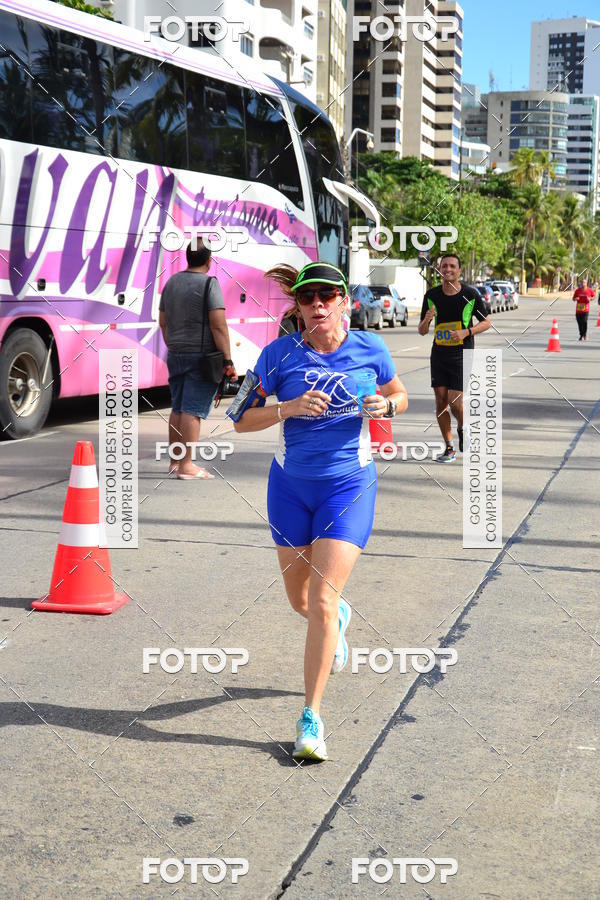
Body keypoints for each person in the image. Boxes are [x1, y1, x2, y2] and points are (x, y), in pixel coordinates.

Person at [228, 261, 407, 761]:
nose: (318, 305)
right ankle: (339, 617)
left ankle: (311, 718)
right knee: (300, 601)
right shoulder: (276, 355)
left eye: (328, 295)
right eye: (308, 298)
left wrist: (386, 408)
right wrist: (287, 407)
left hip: (348, 487)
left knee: (322, 601)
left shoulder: (371, 348)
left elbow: (399, 394)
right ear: (299, 306)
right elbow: (239, 421)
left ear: (345, 300)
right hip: (289, 488)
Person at [159, 241, 237, 479]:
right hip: (201, 356)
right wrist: (228, 360)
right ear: (208, 260)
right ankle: (187, 466)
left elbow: (163, 321)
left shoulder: (171, 282)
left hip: (175, 353)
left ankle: (175, 461)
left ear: (187, 258)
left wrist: (173, 344)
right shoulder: (209, 284)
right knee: (192, 410)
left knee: (178, 408)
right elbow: (218, 324)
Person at [418, 254, 491, 463]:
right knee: (441, 401)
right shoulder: (431, 295)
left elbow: (486, 323)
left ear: (459, 270)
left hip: (462, 353)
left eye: (452, 266)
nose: (447, 269)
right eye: (444, 266)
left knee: (455, 401)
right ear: (439, 270)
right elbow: (422, 331)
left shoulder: (470, 294)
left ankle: (462, 426)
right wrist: (426, 320)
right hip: (439, 354)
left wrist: (465, 332)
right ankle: (448, 448)